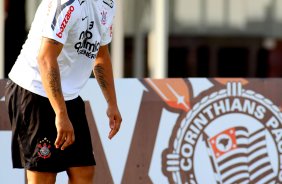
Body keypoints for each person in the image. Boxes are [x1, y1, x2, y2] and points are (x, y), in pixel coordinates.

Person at [4, 0, 122, 183]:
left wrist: (112, 103)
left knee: (84, 171)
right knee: (44, 176)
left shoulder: (107, 4)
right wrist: (61, 113)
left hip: (69, 96)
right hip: (34, 90)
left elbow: (101, 55)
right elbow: (45, 58)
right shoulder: (65, 2)